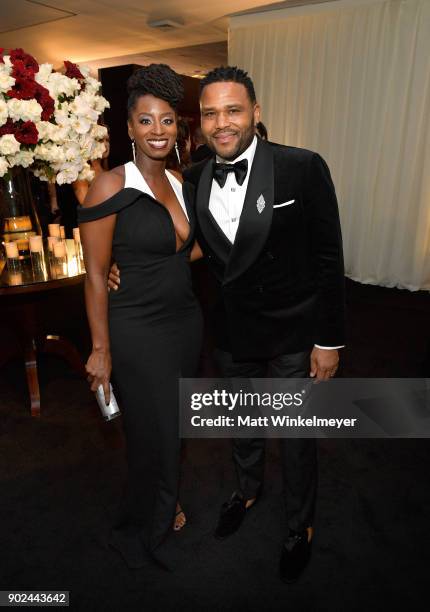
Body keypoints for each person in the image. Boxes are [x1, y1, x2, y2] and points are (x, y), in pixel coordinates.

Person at [109, 65, 345, 583]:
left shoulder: (302, 168)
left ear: (256, 114)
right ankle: (247, 489)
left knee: (295, 435)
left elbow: (328, 260)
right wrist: (118, 261)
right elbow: (181, 243)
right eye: (211, 112)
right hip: (232, 331)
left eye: (233, 110)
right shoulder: (190, 177)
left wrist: (328, 340)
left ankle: (299, 527)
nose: (222, 122)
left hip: (293, 331)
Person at [78, 64, 203, 570]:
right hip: (136, 327)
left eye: (167, 120)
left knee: (172, 422)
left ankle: (164, 496)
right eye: (146, 120)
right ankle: (144, 524)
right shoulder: (108, 186)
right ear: (128, 128)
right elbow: (93, 275)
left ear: (178, 128)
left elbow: (188, 250)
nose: (157, 130)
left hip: (185, 322)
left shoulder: (180, 180)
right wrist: (101, 349)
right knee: (151, 428)